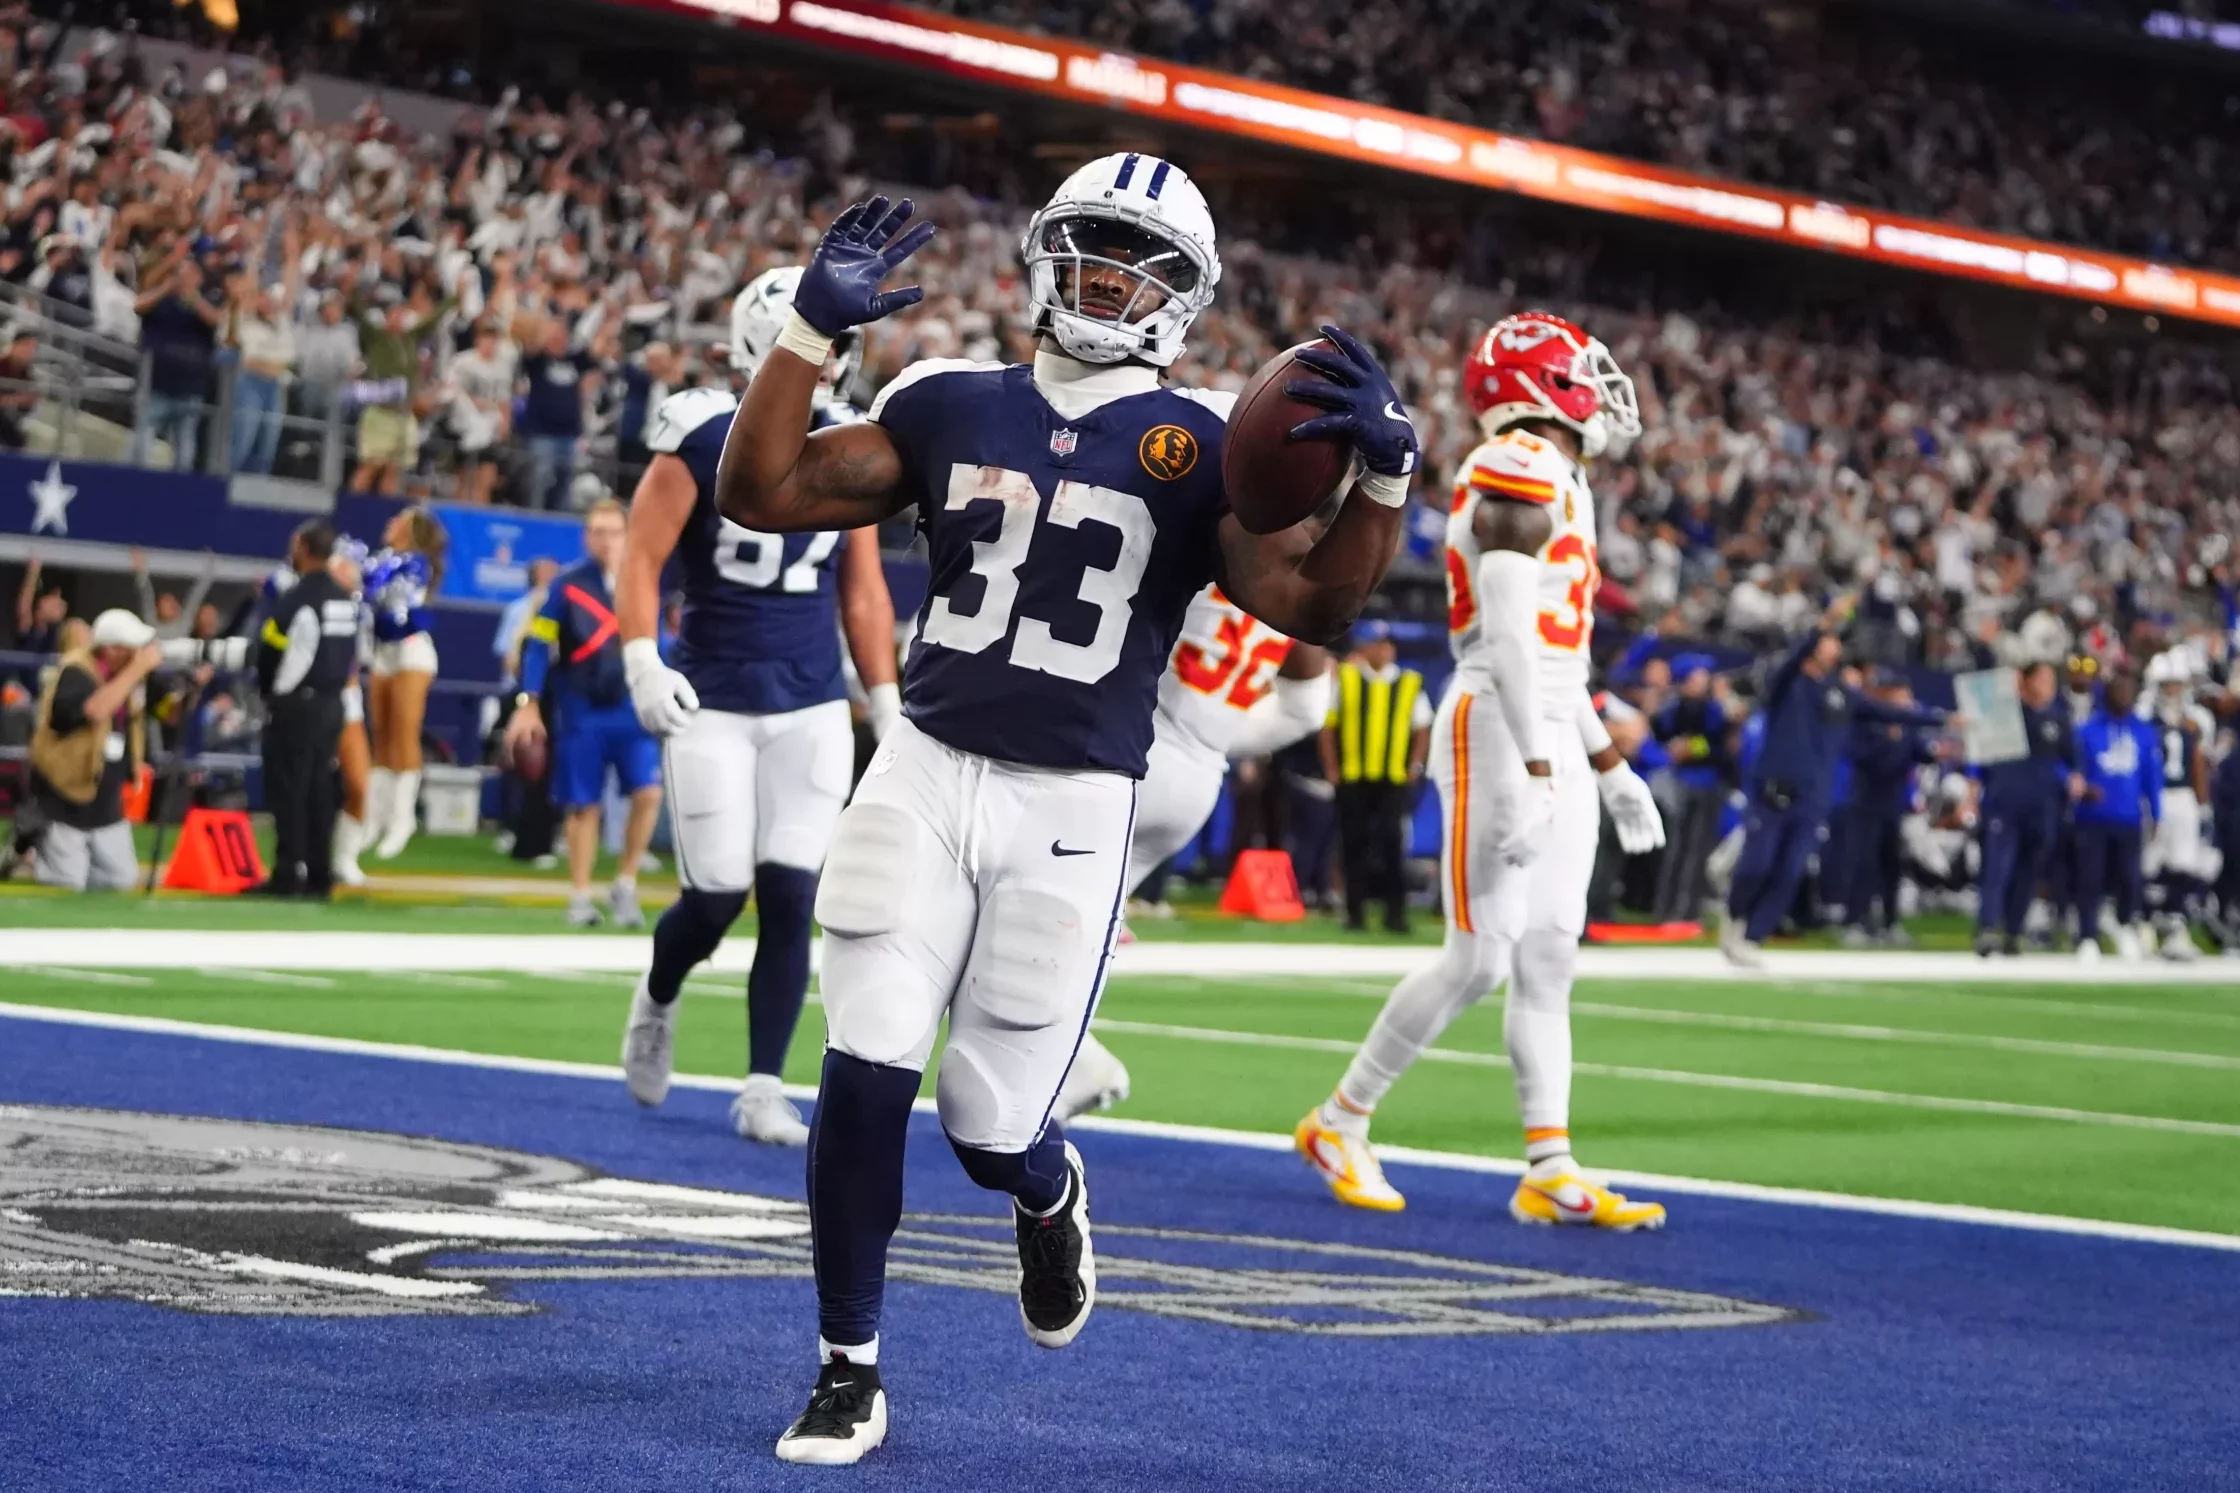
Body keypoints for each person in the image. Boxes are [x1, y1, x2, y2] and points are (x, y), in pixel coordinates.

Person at [716, 171, 1411, 1463]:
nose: (1107, 275)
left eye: (1139, 259)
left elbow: (1313, 609)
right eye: (1090, 246)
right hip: (921, 769)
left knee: (984, 1126)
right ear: (1043, 256)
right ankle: (846, 1367)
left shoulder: (1208, 440)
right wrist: (807, 341)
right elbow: (758, 493)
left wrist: (1382, 479)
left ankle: (1046, 1184)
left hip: (1074, 806)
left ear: (1186, 297)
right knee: (863, 1070)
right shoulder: (944, 399)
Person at [1297, 311, 1667, 1227]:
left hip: (1541, 716)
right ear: (1543, 384)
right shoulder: (1520, 464)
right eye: (1583, 369)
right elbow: (1504, 630)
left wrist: (1610, 767)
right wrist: (1542, 767)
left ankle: (1549, 1160)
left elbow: (1555, 659)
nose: (1603, 387)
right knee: (1479, 955)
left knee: (1550, 955)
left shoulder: (1563, 476)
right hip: (1498, 720)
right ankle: (1340, 1120)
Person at [615, 267, 904, 1144]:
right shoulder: (700, 433)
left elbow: (864, 591)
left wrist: (884, 699)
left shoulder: (848, 442)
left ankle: (761, 1085)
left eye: (835, 347)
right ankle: (660, 991)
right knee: (714, 893)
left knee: (791, 892)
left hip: (811, 701)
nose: (828, 366)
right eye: (813, 344)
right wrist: (641, 659)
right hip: (714, 696)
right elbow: (640, 555)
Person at [1054, 583, 1333, 1122]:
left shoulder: (1216, 543)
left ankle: (1072, 1059)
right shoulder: (1296, 582)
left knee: (1027, 905)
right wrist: (1212, 740)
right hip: (1198, 779)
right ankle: (1062, 1063)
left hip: (1134, 753)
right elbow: (1306, 711)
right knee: (1092, 919)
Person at [1722, 599, 1947, 967]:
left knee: (1790, 870)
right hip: (1774, 788)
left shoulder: (1840, 692)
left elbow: (1888, 711)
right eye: (1829, 640)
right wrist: (1824, 621)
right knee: (1756, 865)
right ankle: (1735, 916)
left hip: (1813, 796)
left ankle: (1752, 938)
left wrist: (1941, 720)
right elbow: (1793, 659)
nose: (1836, 646)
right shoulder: (1787, 682)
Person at [506, 499, 664, 928]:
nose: (606, 540)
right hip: (581, 708)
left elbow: (662, 640)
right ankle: (580, 893)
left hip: (632, 708)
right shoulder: (568, 585)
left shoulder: (646, 575)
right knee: (582, 804)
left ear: (627, 534)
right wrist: (530, 701)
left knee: (649, 795)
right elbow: (538, 644)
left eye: (613, 531)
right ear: (586, 537)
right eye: (597, 531)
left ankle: (626, 883)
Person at [251, 521, 358, 897]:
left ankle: (287, 875)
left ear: (300, 546)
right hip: (333, 705)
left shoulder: (296, 598)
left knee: (288, 792)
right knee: (321, 790)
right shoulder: (346, 598)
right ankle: (319, 875)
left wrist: (269, 694)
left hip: (297, 705)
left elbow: (270, 652)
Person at [27, 609, 162, 891]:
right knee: (65, 884)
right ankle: (30, 851)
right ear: (111, 649)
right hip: (67, 796)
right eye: (131, 649)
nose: (139, 655)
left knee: (119, 881)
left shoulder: (129, 677)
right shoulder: (77, 670)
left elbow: (161, 713)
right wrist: (137, 670)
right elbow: (95, 709)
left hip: (106, 799)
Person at [1320, 620, 1430, 932]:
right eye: (1375, 644)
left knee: (1392, 843)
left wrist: (1414, 765)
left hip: (1393, 776)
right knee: (1353, 843)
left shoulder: (1409, 682)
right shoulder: (1348, 680)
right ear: (1364, 648)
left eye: (1385, 644)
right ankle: (1354, 913)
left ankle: (1395, 913)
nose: (1381, 650)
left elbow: (1422, 727)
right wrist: (1332, 767)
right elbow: (1329, 726)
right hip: (1353, 774)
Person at [1973, 661, 2082, 957]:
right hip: (2004, 801)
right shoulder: (2003, 714)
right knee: (1998, 867)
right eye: (2042, 679)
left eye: (2050, 680)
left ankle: (2014, 930)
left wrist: (2072, 779)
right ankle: (1986, 928)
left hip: (2042, 805)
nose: (2047, 686)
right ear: (2025, 681)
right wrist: (1974, 790)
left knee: (2029, 870)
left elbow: (2069, 761)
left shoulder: (2058, 719)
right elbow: (1980, 754)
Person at [362, 506, 448, 861]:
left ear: (411, 532)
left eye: (397, 520)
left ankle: (403, 818)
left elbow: (384, 593)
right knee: (381, 735)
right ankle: (375, 818)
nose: (389, 521)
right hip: (383, 651)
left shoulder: (414, 564)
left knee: (403, 733)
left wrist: (365, 577)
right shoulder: (382, 559)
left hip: (411, 650)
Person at [1839, 672, 1944, 947]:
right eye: (1900, 695)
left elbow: (1921, 752)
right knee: (1864, 864)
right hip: (1865, 802)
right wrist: (1889, 741)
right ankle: (1855, 921)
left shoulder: (1907, 728)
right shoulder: (1866, 722)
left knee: (1891, 866)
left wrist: (1938, 753)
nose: (1907, 701)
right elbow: (1857, 755)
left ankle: (1890, 922)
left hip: (1894, 805)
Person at [2072, 668, 2160, 961]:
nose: (2124, 695)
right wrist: (2082, 789)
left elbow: (2151, 776)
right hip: (2092, 817)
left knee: (2129, 880)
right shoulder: (2087, 730)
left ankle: (2124, 929)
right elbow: (2071, 768)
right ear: (2107, 694)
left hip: (2129, 817)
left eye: (2128, 690)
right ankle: (2087, 936)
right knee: (2089, 879)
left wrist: (2156, 813)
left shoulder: (2144, 732)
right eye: (2118, 690)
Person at [2142, 649, 2214, 961]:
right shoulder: (2145, 717)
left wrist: (2202, 801)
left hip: (2183, 794)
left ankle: (2174, 921)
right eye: (2167, 684)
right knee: (2149, 860)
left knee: (2184, 860)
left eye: (2176, 684)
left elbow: (2199, 763)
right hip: (2156, 794)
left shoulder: (2195, 720)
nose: (2172, 690)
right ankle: (2143, 920)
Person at [1649, 653, 1730, 922]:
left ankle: (1687, 911)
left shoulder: (1713, 708)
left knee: (1698, 850)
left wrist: (1690, 747)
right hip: (1681, 782)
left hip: (1706, 782)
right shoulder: (1674, 707)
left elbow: (1719, 745)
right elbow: (1662, 734)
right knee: (1677, 849)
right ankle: (1666, 909)